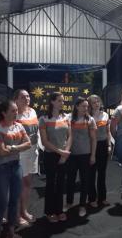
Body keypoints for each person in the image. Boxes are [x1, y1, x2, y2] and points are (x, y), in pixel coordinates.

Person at [0, 100, 31, 238]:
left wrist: (12, 148)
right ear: (4, 113)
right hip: (1, 169)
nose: (16, 113)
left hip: (16, 166)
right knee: (2, 203)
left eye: (16, 110)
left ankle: (11, 232)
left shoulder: (19, 126)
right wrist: (18, 147)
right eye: (13, 111)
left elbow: (29, 144)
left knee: (14, 201)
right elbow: (1, 152)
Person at [39, 92, 72, 223]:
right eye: (59, 100)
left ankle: (59, 210)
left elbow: (70, 136)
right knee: (50, 184)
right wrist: (60, 152)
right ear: (52, 102)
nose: (62, 103)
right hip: (50, 155)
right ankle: (49, 212)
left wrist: (65, 152)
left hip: (64, 155)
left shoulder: (66, 118)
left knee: (60, 184)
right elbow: (44, 141)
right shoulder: (43, 119)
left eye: (62, 101)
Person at [65, 97, 96, 217]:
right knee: (70, 181)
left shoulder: (90, 120)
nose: (86, 108)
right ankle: (69, 203)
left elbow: (93, 139)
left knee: (85, 181)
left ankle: (82, 205)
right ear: (77, 106)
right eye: (83, 106)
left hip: (85, 155)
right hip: (71, 155)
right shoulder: (68, 118)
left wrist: (93, 155)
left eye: (87, 106)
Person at [14, 89, 39, 226]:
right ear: (16, 100)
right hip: (20, 154)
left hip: (33, 152)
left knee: (28, 184)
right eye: (23, 97)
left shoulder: (33, 111)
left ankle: (24, 211)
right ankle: (16, 215)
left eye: (28, 96)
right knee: (19, 185)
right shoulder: (13, 113)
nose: (26, 99)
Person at [88, 94, 112, 207]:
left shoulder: (106, 115)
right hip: (90, 147)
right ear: (89, 105)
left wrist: (109, 145)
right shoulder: (87, 116)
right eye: (93, 102)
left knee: (102, 174)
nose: (96, 103)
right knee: (91, 174)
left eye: (97, 101)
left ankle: (102, 198)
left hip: (103, 146)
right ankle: (92, 199)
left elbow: (108, 132)